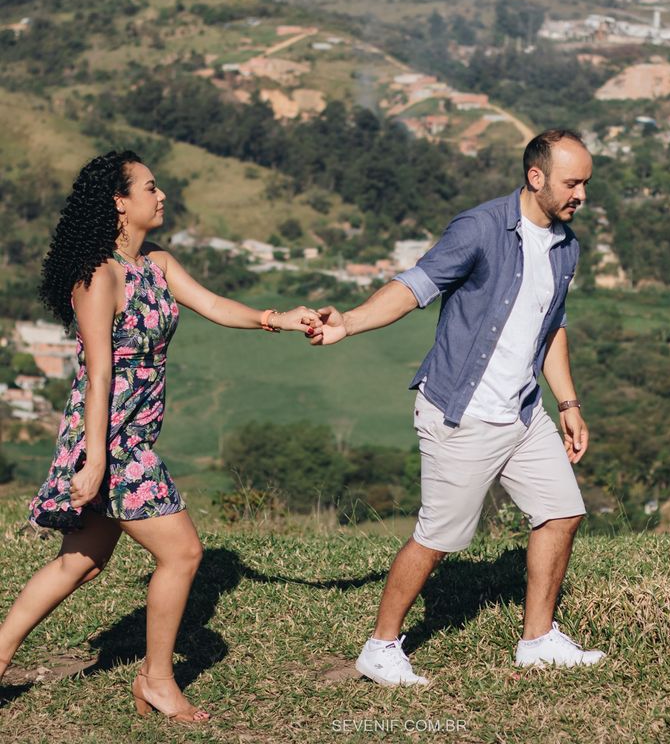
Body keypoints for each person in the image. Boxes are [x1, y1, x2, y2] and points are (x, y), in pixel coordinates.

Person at [0, 151, 318, 721]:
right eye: (150, 187)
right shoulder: (98, 275)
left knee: (82, 562)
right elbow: (98, 373)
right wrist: (94, 459)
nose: (161, 194)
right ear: (120, 202)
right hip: (111, 439)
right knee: (184, 551)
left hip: (131, 438)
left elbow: (216, 305)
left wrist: (279, 318)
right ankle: (157, 679)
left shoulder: (158, 264)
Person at [308, 129, 605, 685]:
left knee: (562, 512)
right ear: (536, 177)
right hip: (462, 412)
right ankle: (380, 646)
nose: (581, 195)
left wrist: (567, 401)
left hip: (521, 411)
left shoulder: (567, 246)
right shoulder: (480, 228)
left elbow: (551, 327)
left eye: (586, 183)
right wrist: (348, 321)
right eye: (572, 182)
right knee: (439, 537)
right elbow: (415, 285)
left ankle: (538, 639)